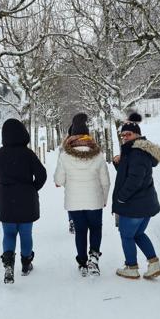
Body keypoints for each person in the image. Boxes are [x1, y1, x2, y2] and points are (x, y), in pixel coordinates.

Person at [0, 118, 47, 284]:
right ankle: (26, 263)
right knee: (25, 234)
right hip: (26, 201)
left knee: (8, 234)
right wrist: (32, 188)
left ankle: (8, 264)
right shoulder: (28, 154)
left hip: (6, 201)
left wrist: (7, 189)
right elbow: (42, 175)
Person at [54, 114, 110, 276]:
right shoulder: (98, 155)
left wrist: (69, 182)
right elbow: (105, 182)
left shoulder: (65, 156)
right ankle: (94, 256)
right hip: (95, 201)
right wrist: (103, 199)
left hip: (74, 202)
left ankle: (82, 262)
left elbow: (59, 179)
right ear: (88, 136)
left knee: (80, 231)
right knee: (95, 228)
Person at [112, 112, 160, 279]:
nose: (125, 137)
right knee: (138, 234)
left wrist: (121, 197)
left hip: (134, 205)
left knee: (127, 235)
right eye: (122, 135)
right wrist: (118, 163)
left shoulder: (137, 152)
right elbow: (128, 174)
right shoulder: (135, 151)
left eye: (128, 134)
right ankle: (154, 264)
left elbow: (135, 180)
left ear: (137, 135)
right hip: (145, 204)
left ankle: (131, 267)